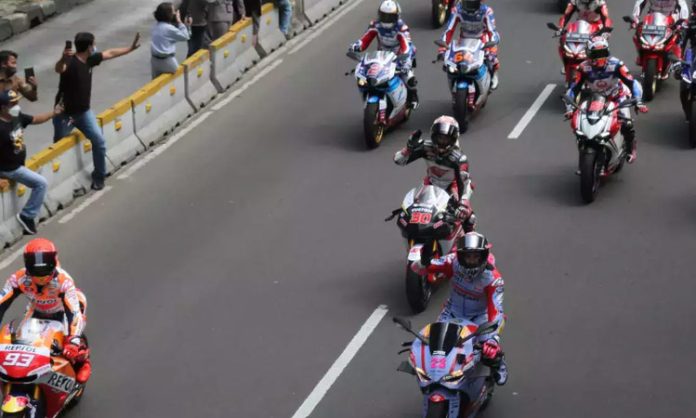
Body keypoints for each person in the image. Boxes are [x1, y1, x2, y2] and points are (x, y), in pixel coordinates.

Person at [413, 232, 508, 386]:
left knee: (489, 351)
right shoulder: (452, 262)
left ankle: (499, 363)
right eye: (468, 256)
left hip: (479, 317)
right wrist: (424, 261)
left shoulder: (493, 279)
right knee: (435, 348)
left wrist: (492, 339)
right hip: (451, 313)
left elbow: (496, 311)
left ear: (483, 256)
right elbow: (420, 268)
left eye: (476, 256)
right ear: (460, 256)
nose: (472, 261)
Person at [53, 31, 140, 191]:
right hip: (66, 116)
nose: (95, 47)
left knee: (99, 142)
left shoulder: (90, 60)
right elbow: (59, 68)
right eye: (93, 44)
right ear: (88, 47)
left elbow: (110, 53)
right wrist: (63, 58)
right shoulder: (70, 63)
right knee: (58, 148)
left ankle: (99, 177)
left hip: (84, 113)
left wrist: (130, 48)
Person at [0, 238, 91, 384]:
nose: (41, 276)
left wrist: (73, 340)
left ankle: (83, 362)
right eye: (36, 271)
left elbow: (73, 313)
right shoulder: (18, 278)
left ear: (54, 262)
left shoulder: (64, 280)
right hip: (36, 310)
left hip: (63, 311)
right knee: (21, 342)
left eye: (44, 270)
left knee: (70, 344)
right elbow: (2, 302)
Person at [566, 37, 648, 164]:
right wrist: (570, 108)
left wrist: (638, 101)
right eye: (595, 54)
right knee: (579, 124)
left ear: (607, 53)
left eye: (602, 54)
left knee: (627, 123)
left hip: (616, 97)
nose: (599, 58)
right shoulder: (582, 68)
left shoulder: (616, 64)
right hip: (594, 99)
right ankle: (585, 148)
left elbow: (632, 83)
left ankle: (631, 147)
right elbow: (573, 89)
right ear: (588, 54)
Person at [394, 116, 475, 231]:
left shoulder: (459, 159)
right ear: (433, 136)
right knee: (412, 214)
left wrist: (463, 203)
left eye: (445, 139)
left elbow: (465, 183)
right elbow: (398, 160)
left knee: (469, 217)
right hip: (430, 184)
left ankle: (467, 243)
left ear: (453, 139)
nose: (441, 142)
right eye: (439, 138)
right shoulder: (425, 147)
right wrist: (408, 149)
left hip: (452, 187)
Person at [0, 90, 60, 235]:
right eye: (13, 104)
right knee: (41, 183)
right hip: (9, 169)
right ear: (2, 107)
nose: (17, 106)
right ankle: (27, 215)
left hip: (18, 165)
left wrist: (54, 113)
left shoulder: (17, 117)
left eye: (17, 102)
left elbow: (36, 119)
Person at [350, 0, 419, 108]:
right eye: (384, 16)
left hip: (399, 56)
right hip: (381, 56)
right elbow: (365, 39)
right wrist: (356, 45)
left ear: (396, 16)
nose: (386, 20)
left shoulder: (401, 28)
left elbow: (406, 45)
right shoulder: (375, 25)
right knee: (369, 75)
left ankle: (413, 97)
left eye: (389, 17)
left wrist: (405, 60)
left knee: (408, 77)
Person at [441, 0, 500, 90]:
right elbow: (449, 30)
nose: (470, 6)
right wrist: (443, 48)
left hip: (482, 39)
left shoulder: (487, 11)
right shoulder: (456, 10)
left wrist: (492, 50)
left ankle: (493, 74)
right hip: (464, 40)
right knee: (450, 62)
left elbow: (492, 32)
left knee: (491, 59)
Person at [632, 0, 689, 65]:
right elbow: (639, 3)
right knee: (639, 33)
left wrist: (683, 20)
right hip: (652, 16)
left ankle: (677, 60)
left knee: (677, 36)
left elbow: (683, 5)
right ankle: (641, 54)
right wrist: (635, 19)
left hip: (671, 15)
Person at [151, 2, 192, 79]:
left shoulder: (155, 26)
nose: (175, 13)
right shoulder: (169, 29)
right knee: (179, 77)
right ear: (168, 14)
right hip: (167, 61)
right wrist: (180, 22)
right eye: (173, 11)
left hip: (154, 60)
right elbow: (186, 36)